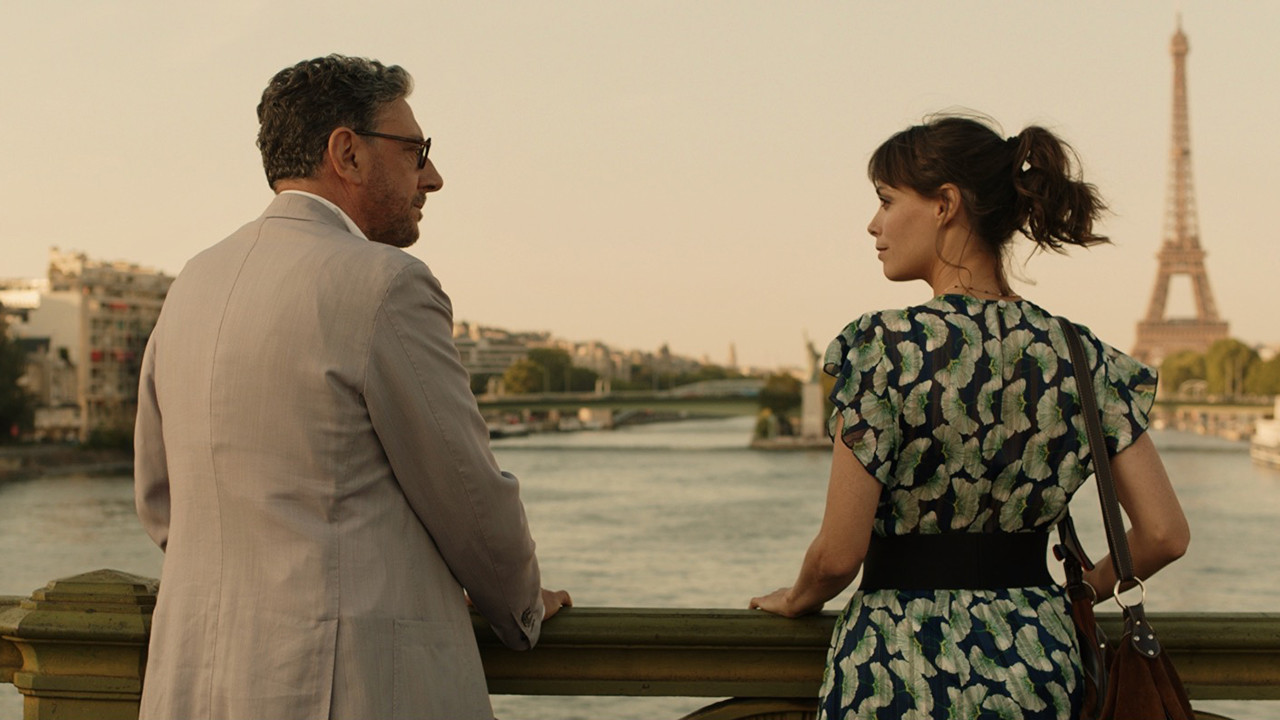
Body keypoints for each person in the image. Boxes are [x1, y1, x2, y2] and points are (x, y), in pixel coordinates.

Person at [134, 54, 570, 720]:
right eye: (416, 151)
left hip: (192, 684)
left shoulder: (193, 282)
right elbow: (470, 499)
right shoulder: (385, 283)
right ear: (348, 153)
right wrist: (522, 609)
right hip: (346, 687)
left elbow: (162, 504)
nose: (434, 177)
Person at [749, 114, 1190, 719]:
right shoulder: (1080, 355)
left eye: (885, 200)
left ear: (945, 205)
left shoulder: (885, 349)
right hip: (1039, 660)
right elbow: (1165, 533)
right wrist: (1077, 595)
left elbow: (837, 555)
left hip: (897, 663)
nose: (872, 224)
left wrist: (799, 598)